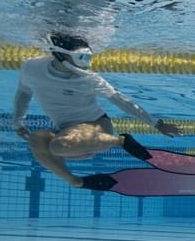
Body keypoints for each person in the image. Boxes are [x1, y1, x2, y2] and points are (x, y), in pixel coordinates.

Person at [12, 32, 182, 188]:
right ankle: (77, 182)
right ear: (60, 54)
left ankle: (121, 141)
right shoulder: (32, 67)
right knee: (37, 139)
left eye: (88, 57)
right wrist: (18, 122)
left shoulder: (91, 79)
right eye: (81, 57)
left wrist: (156, 124)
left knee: (59, 145)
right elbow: (24, 93)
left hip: (96, 126)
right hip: (71, 139)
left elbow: (121, 101)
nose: (86, 63)